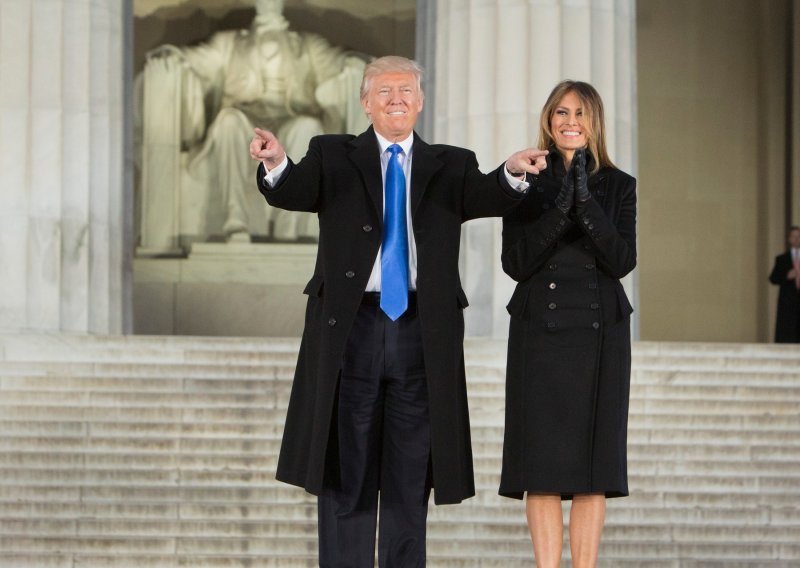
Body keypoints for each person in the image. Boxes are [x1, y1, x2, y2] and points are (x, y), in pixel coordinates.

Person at [249, 55, 548, 567]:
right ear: (366, 103)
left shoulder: (450, 164)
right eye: (384, 91)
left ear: (421, 101)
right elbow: (294, 190)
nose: (396, 99)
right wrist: (275, 162)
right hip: (352, 331)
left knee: (411, 479)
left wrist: (513, 174)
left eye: (406, 90)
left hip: (420, 331)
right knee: (347, 474)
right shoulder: (332, 154)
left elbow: (485, 193)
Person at [499, 80, 637, 567]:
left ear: (594, 120)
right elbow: (515, 263)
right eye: (560, 112)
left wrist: (587, 204)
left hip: (601, 337)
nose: (570, 120)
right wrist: (560, 207)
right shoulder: (523, 179)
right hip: (541, 335)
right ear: (548, 120)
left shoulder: (620, 185)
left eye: (579, 112)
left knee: (592, 468)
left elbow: (622, 260)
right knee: (541, 465)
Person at [137, 0, 368, 246]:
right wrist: (173, 55)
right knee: (228, 121)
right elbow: (198, 59)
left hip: (290, 116)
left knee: (309, 127)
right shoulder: (231, 42)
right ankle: (235, 222)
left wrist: (353, 62)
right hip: (245, 118)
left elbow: (337, 62)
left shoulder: (306, 44)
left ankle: (287, 228)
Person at [768, 226, 800, 343]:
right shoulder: (782, 259)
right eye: (794, 236)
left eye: (799, 236)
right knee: (787, 333)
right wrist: (786, 276)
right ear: (789, 239)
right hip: (788, 302)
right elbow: (773, 279)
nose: (797, 239)